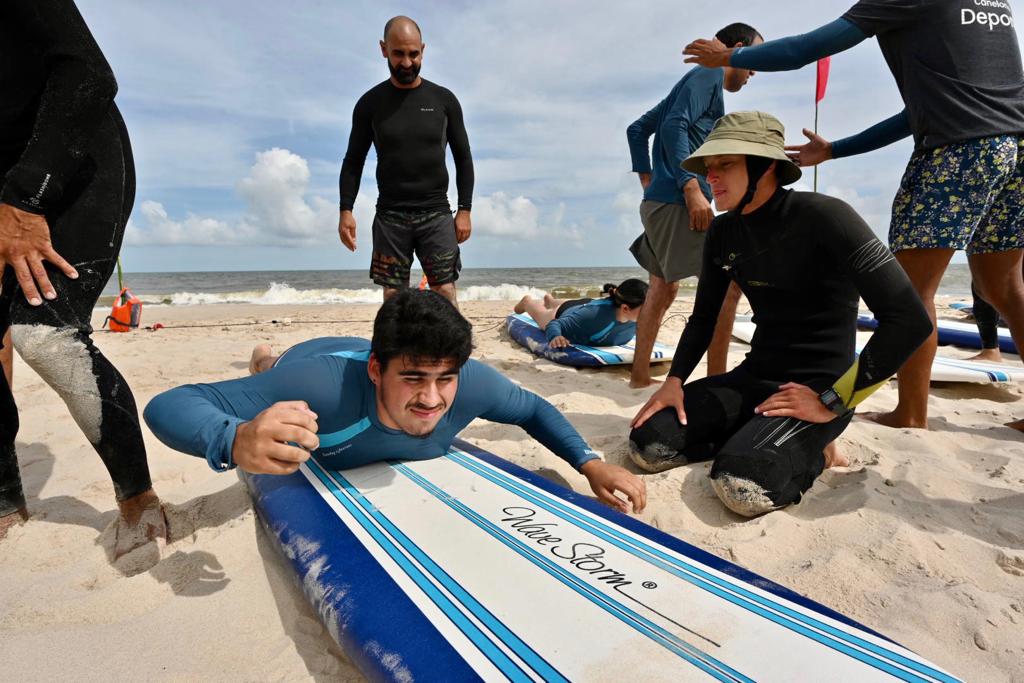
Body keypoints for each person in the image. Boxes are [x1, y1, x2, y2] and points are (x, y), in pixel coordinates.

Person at [683, 1, 1024, 432]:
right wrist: (836, 150)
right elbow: (924, 109)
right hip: (1015, 146)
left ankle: (910, 414)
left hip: (957, 150)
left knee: (913, 292)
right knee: (1006, 289)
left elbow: (807, 49)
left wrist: (731, 56)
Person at [629, 112, 931, 517]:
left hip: (819, 388)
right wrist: (675, 381)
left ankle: (821, 451)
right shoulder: (722, 233)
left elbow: (909, 319)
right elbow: (703, 318)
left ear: (767, 166)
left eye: (726, 165)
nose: (711, 177)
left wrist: (834, 400)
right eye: (709, 167)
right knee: (649, 444)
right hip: (755, 377)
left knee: (742, 485)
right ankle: (758, 436)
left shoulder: (828, 217)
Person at [145, 290, 646, 515]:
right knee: (271, 373)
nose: (431, 399)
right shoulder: (322, 392)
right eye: (413, 380)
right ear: (378, 371)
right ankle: (263, 359)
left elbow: (534, 408)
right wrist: (233, 438)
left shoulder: (470, 383)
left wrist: (588, 462)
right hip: (312, 360)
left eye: (444, 379)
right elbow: (173, 403)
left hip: (369, 348)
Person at [0, 0, 166, 552]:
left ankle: (137, 498)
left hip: (73, 155)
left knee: (45, 336)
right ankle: (5, 496)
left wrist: (25, 197)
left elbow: (90, 72)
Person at [625, 22, 763, 388]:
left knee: (662, 288)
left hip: (661, 202)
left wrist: (648, 176)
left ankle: (639, 376)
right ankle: (717, 382)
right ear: (736, 47)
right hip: (679, 204)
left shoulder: (694, 81)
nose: (752, 74)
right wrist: (688, 185)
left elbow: (637, 129)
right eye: (752, 63)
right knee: (728, 287)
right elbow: (674, 124)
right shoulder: (710, 73)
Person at [338, 16, 473, 307]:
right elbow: (353, 161)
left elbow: (463, 157)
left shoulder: (444, 100)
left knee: (444, 290)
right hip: (390, 216)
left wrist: (464, 210)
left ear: (422, 50)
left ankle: (449, 351)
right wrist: (345, 210)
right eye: (399, 53)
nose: (407, 63)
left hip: (436, 213)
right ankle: (396, 351)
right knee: (393, 297)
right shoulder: (369, 104)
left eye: (414, 54)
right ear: (384, 49)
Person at [513, 279, 648, 349]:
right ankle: (527, 302)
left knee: (578, 305)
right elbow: (554, 324)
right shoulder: (594, 318)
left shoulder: (639, 320)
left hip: (588, 304)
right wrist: (556, 336)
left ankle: (550, 300)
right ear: (625, 308)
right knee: (542, 318)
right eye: (645, 310)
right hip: (566, 311)